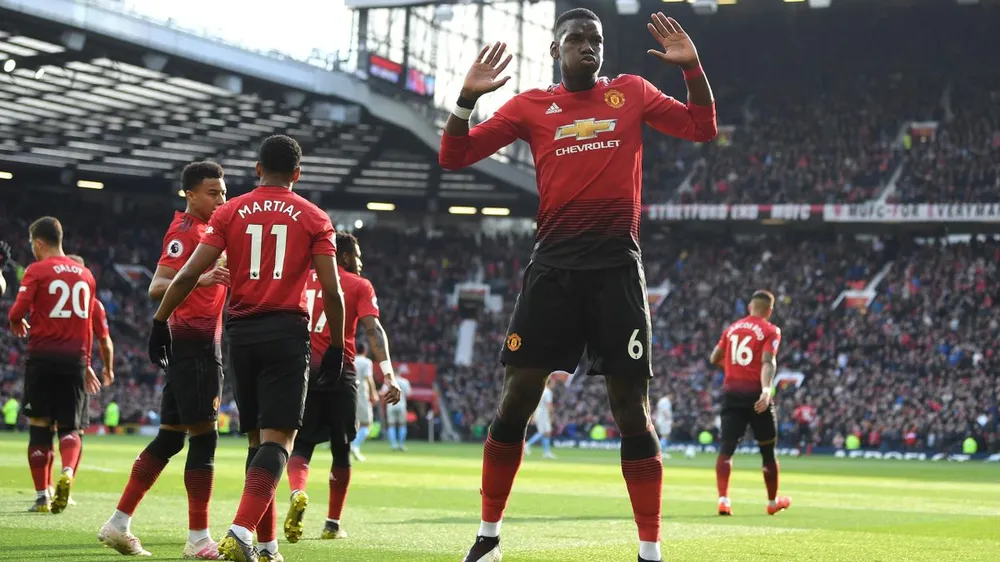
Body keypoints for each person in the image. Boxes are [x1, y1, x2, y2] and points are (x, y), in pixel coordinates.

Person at [438, 8, 716, 562]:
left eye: (596, 40)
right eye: (576, 39)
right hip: (554, 271)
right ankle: (488, 538)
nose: (588, 47)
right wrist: (466, 100)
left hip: (617, 270)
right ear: (555, 50)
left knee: (631, 410)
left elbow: (702, 128)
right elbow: (454, 155)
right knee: (516, 400)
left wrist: (693, 69)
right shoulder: (530, 106)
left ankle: (650, 551)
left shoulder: (631, 91)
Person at [148, 135, 347, 562]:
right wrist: (336, 347)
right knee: (280, 441)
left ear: (258, 169)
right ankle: (240, 532)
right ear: (297, 174)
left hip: (240, 335)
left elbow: (186, 274)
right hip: (286, 332)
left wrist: (160, 321)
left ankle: (268, 546)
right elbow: (332, 291)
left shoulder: (229, 211)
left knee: (258, 442)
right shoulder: (314, 217)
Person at [99, 161, 229, 558]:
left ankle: (118, 523)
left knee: (171, 438)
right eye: (212, 192)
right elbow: (156, 287)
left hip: (193, 347)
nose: (220, 199)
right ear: (190, 194)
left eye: (223, 192)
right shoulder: (186, 232)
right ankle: (198, 539)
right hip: (195, 347)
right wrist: (200, 279)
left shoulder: (209, 232)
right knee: (204, 439)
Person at [284, 232, 401, 542]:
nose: (360, 262)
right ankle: (332, 524)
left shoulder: (300, 279)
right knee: (342, 448)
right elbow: (373, 329)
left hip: (303, 372)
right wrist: (388, 374)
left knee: (301, 445)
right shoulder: (358, 285)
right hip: (341, 371)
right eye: (357, 256)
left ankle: (297, 491)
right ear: (346, 257)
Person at [8, 217, 99, 514]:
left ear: (38, 242)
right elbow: (89, 327)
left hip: (43, 358)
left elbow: (17, 311)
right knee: (71, 427)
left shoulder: (37, 270)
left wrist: (16, 320)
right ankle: (68, 472)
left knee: (40, 426)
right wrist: (87, 363)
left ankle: (42, 498)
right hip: (75, 359)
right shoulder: (86, 275)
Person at [709, 290, 791, 517]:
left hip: (732, 395)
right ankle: (772, 502)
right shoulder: (770, 330)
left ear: (749, 307)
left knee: (727, 449)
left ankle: (723, 500)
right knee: (767, 451)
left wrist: (733, 369)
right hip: (756, 397)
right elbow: (768, 361)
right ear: (769, 310)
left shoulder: (731, 329)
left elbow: (714, 357)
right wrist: (766, 390)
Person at [350, 343, 378, 462]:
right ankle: (354, 446)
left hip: (349, 392)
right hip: (361, 394)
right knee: (366, 424)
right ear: (365, 351)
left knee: (354, 423)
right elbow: (368, 378)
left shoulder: (351, 359)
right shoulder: (366, 362)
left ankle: (351, 445)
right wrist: (373, 393)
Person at [524, 377, 556, 459]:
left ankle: (546, 452)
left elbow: (536, 404)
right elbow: (549, 405)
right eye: (553, 383)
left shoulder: (542, 391)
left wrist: (534, 416)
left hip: (540, 413)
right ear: (549, 383)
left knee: (547, 432)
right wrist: (551, 414)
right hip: (543, 414)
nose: (554, 385)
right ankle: (527, 445)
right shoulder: (548, 392)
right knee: (542, 432)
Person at [385, 372, 411, 452]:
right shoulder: (405, 381)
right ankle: (401, 444)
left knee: (391, 425)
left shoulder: (389, 381)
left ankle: (393, 445)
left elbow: (383, 392)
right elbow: (409, 394)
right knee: (402, 424)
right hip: (401, 405)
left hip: (391, 405)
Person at [655, 393, 672, 459]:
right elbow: (665, 411)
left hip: (660, 420)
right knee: (665, 436)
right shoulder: (666, 401)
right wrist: (670, 419)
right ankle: (661, 452)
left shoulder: (661, 401)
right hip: (664, 421)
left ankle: (660, 452)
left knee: (663, 436)